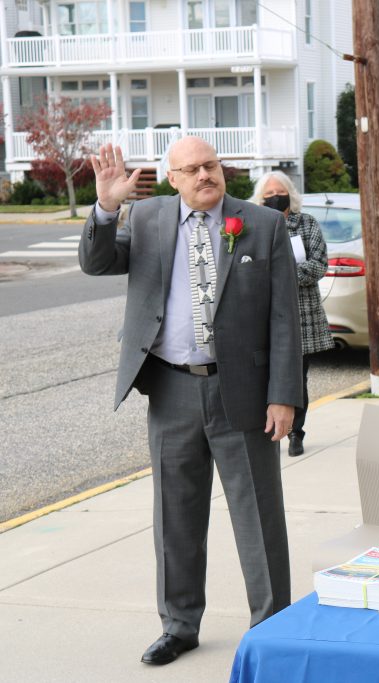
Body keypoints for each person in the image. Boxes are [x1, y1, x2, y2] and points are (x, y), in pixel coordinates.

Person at [79, 139, 302, 666]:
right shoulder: (148, 218)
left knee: (259, 517)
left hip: (244, 393)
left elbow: (283, 319)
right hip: (171, 388)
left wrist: (284, 396)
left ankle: (270, 628)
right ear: (173, 178)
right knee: (174, 515)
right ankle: (178, 625)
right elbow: (97, 262)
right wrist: (107, 208)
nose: (205, 175)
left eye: (211, 166)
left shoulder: (261, 224)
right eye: (192, 170)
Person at [249, 171, 333, 457]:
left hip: (301, 315)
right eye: (268, 195)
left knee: (297, 378)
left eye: (279, 193)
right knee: (262, 377)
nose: (275, 198)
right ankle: (268, 427)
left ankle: (296, 431)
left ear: (290, 195)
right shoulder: (253, 227)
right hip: (260, 316)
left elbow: (318, 265)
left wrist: (279, 275)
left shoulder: (306, 224)